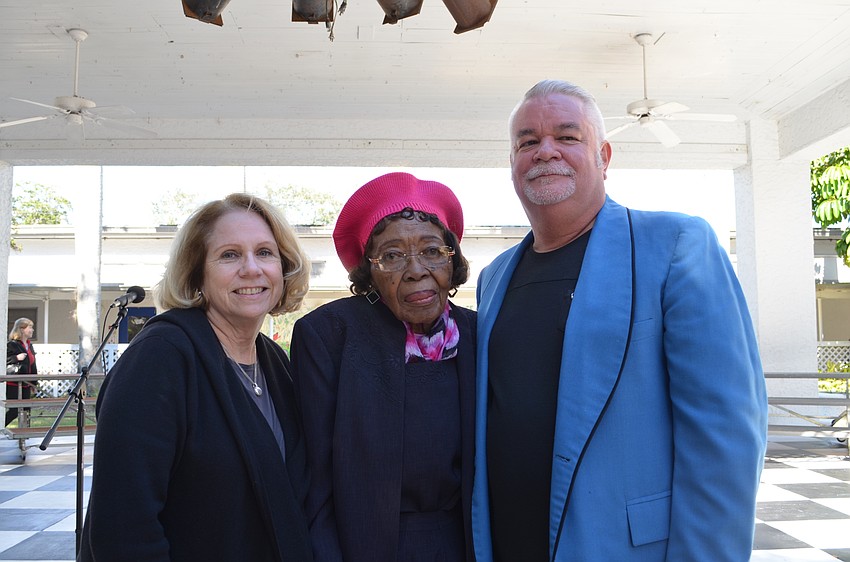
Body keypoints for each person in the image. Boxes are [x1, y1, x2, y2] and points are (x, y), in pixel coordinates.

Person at [471, 79, 768, 561]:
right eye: (528, 141)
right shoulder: (494, 276)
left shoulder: (676, 246)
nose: (545, 151)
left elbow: (726, 438)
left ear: (604, 156)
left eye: (567, 137)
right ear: (512, 163)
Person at [79, 193, 314, 561]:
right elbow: (123, 527)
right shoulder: (161, 357)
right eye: (229, 254)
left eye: (265, 252)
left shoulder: (274, 362)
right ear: (197, 273)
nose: (252, 269)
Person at [290, 172, 477, 562]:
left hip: (466, 544)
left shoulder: (480, 332)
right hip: (365, 546)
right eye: (392, 256)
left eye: (431, 251)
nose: (415, 270)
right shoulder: (328, 335)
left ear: (451, 259)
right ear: (369, 272)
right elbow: (315, 481)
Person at [5, 318, 38, 427]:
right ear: (22, 329)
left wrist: (34, 383)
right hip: (14, 383)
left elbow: (33, 365)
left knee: (27, 410)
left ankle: (25, 437)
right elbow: (4, 361)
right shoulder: (12, 345)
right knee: (14, 411)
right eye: (30, 327)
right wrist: (16, 358)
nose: (32, 330)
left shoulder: (30, 345)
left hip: (26, 384)